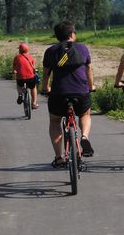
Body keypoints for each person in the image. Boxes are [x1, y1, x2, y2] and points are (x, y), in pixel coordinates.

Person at [41, 21, 96, 168]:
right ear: (72, 34)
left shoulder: (51, 51)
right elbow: (88, 70)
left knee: (55, 121)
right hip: (80, 93)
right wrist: (91, 87)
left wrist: (45, 88)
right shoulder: (82, 49)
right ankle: (84, 136)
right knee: (84, 114)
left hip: (58, 93)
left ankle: (59, 158)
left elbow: (46, 75)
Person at [13, 42, 38, 109]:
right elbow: (34, 67)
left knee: (18, 85)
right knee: (33, 87)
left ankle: (20, 94)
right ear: (27, 50)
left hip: (20, 78)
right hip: (30, 78)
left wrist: (14, 71)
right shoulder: (30, 57)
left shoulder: (16, 57)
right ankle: (34, 103)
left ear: (19, 50)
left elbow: (14, 67)